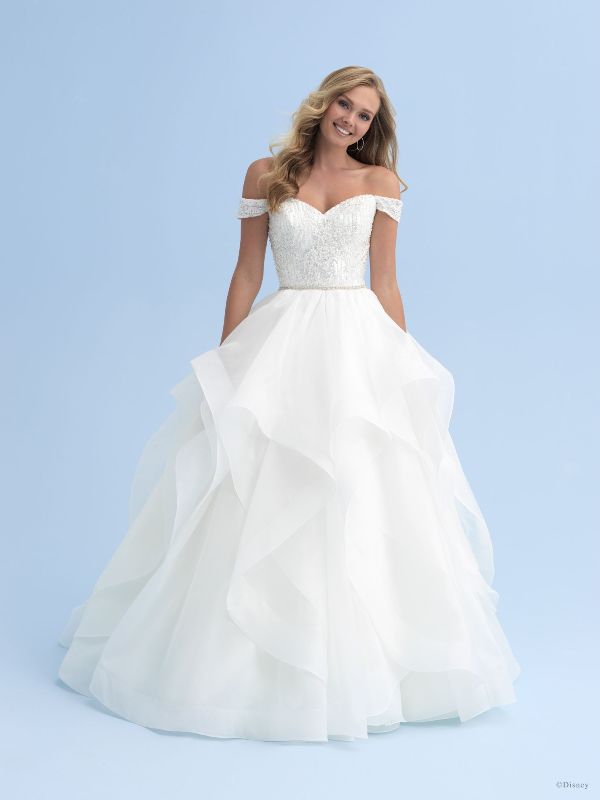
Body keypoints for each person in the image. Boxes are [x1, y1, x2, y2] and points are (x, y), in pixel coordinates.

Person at [57, 65, 521, 743]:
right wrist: (226, 368)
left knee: (362, 489)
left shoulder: (380, 183)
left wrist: (402, 372)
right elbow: (246, 273)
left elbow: (386, 284)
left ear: (373, 128)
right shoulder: (264, 174)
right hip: (283, 341)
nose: (352, 122)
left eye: (365, 116)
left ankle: (365, 667)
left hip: (356, 345)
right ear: (323, 102)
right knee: (266, 487)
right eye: (345, 105)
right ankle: (246, 670)